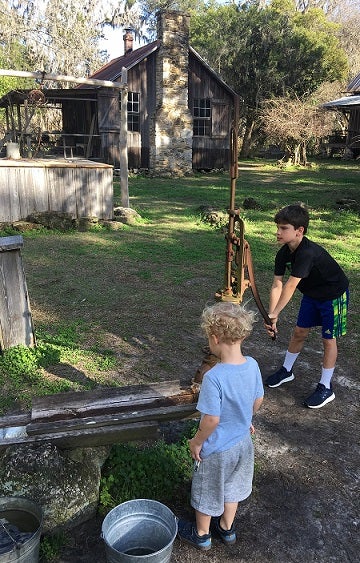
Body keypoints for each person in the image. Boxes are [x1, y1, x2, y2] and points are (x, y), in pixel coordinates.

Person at [177, 301, 264, 551]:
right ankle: (227, 529)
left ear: (214, 338)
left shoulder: (214, 377)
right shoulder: (253, 365)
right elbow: (258, 399)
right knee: (233, 488)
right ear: (242, 335)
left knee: (207, 490)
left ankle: (202, 534)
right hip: (243, 445)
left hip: (217, 450)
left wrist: (197, 441)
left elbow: (212, 420)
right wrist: (245, 421)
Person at [264, 204, 349, 408]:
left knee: (328, 340)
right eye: (278, 227)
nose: (278, 232)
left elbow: (291, 285)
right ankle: (287, 370)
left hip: (333, 295)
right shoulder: (283, 254)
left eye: (284, 228)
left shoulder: (307, 253)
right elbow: (277, 284)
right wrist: (271, 315)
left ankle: (326, 387)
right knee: (299, 331)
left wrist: (276, 313)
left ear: (299, 230)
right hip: (312, 295)